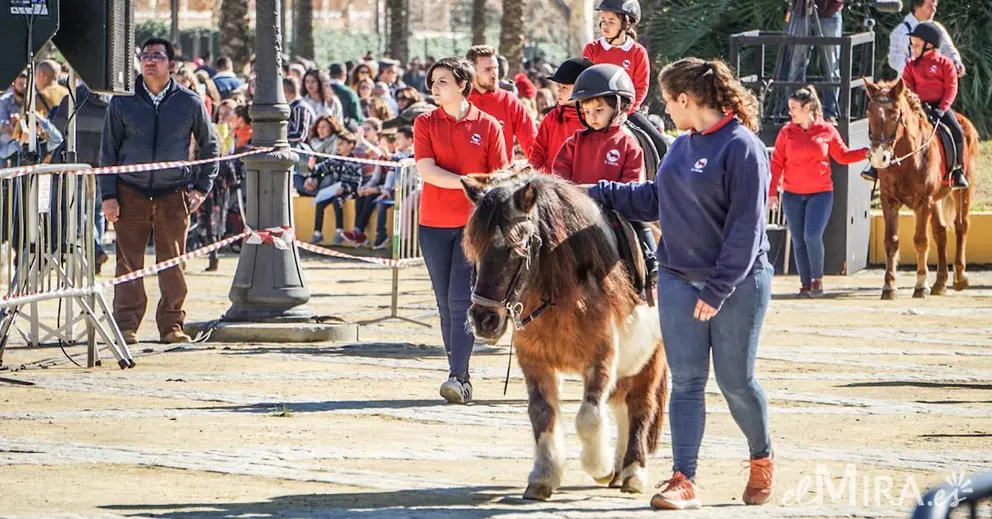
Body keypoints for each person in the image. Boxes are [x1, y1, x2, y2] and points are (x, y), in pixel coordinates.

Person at [588, 57, 775, 510]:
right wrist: (596, 191)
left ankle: (761, 457)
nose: (667, 110)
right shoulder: (680, 146)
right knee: (688, 382)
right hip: (676, 278)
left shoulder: (743, 147)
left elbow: (746, 231)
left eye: (670, 101)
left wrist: (716, 290)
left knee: (736, 382)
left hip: (736, 284)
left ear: (687, 100)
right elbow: (654, 198)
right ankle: (682, 478)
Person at [100, 37, 219, 345]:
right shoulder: (122, 101)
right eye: (145, 56)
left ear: (172, 64)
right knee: (128, 264)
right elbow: (108, 151)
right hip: (130, 193)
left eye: (157, 56)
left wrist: (201, 188)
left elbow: (211, 146)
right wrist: (108, 195)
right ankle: (125, 325)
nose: (150, 61)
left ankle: (172, 326)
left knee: (173, 262)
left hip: (173, 194)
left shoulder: (189, 102)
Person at [414, 57, 507, 404]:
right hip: (432, 225)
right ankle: (457, 370)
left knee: (460, 301)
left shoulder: (489, 125)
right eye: (433, 82)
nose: (434, 88)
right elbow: (427, 170)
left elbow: (497, 177)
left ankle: (459, 376)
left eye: (442, 82)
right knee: (443, 303)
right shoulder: (425, 123)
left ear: (462, 85)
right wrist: (468, 183)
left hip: (473, 228)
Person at [554, 64, 658, 283]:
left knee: (637, 225)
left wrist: (605, 198)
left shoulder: (628, 143)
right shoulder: (574, 142)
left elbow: (630, 184)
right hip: (576, 210)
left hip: (614, 212)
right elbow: (559, 177)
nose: (592, 117)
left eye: (599, 111)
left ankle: (650, 263)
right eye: (586, 111)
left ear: (619, 107)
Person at [770, 87, 868, 297]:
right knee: (798, 239)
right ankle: (805, 283)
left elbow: (842, 156)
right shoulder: (786, 132)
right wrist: (772, 193)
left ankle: (817, 280)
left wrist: (866, 153)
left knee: (812, 236)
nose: (791, 112)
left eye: (794, 108)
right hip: (792, 194)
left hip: (821, 193)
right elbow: (777, 163)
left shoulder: (827, 130)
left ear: (808, 108)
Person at [904, 22, 967, 188]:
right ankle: (875, 167)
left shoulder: (945, 64)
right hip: (918, 107)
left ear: (929, 45)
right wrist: (915, 107)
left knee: (957, 131)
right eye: (912, 45)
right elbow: (908, 88)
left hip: (940, 108)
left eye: (916, 45)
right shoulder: (910, 65)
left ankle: (958, 170)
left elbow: (951, 89)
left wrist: (941, 109)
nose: (913, 48)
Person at [466, 45, 536, 162]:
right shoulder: (460, 102)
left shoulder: (510, 101)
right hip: (465, 178)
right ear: (472, 72)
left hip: (501, 177)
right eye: (488, 69)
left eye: (496, 67)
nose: (494, 74)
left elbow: (532, 143)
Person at [582, 0, 649, 113]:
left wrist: (625, 112)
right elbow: (585, 83)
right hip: (595, 110)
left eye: (611, 22)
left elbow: (641, 88)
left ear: (626, 24)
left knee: (651, 132)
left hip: (626, 111)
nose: (605, 26)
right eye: (603, 20)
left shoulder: (638, 52)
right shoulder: (592, 49)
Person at [529, 57, 593, 173]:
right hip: (554, 185)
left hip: (584, 186)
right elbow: (538, 152)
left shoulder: (594, 120)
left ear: (583, 89)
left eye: (564, 87)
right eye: (558, 86)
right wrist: (530, 173)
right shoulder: (552, 117)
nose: (558, 91)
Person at [785, 0, 843, 123]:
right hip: (800, 11)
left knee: (831, 66)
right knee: (796, 65)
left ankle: (829, 114)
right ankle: (793, 111)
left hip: (829, 12)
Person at [307, 131, 364, 245]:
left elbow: (357, 183)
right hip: (334, 190)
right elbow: (321, 169)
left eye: (341, 144)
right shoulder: (334, 159)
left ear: (350, 145)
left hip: (347, 192)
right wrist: (312, 168)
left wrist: (345, 188)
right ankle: (317, 233)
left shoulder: (355, 162)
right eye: (337, 144)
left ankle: (339, 231)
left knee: (337, 201)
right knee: (320, 203)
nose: (338, 147)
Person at [887, 0, 964, 78]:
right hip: (910, 85)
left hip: (937, 84)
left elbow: (948, 49)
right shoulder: (900, 31)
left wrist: (956, 63)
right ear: (917, 7)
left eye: (935, 6)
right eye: (930, 6)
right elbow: (894, 60)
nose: (934, 10)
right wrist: (916, 73)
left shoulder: (937, 29)